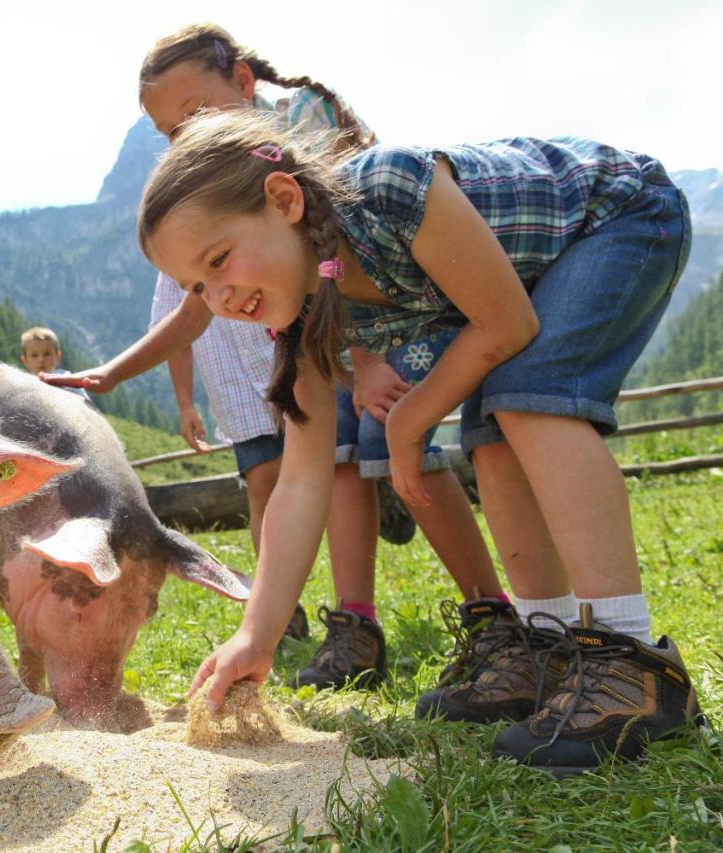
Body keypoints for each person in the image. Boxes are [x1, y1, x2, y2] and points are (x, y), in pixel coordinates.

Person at [139, 108, 697, 775]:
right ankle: (548, 650)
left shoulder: (389, 191)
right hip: (529, 282)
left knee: (530, 395)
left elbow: (507, 321)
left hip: (618, 214)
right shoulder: (305, 316)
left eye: (219, 259)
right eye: (199, 286)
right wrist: (256, 634)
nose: (220, 295)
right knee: (493, 434)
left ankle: (631, 665)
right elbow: (302, 479)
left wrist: (407, 424)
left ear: (284, 200)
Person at [47, 22, 506, 689]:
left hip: (373, 324)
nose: (186, 136)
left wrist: (371, 352)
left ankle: (489, 608)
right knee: (334, 461)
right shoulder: (207, 202)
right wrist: (115, 372)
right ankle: (355, 622)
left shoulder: (306, 124)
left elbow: (352, 235)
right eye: (171, 132)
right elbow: (191, 309)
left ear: (241, 81)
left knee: (395, 441)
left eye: (195, 114)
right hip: (307, 339)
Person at [21, 326, 89, 400]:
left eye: (47, 354)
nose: (41, 359)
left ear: (58, 356)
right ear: (25, 360)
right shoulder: (23, 386)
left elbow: (87, 405)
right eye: (34, 355)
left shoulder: (68, 381)